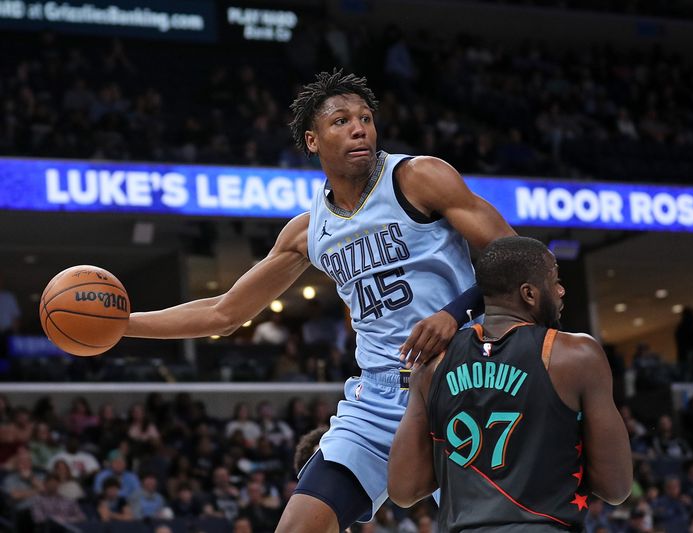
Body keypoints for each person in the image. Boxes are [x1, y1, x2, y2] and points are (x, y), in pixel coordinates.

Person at [124, 69, 515, 532]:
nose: (359, 128)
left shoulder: (418, 178)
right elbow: (224, 313)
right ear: (313, 141)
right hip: (378, 398)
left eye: (366, 118)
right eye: (342, 120)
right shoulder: (308, 231)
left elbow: (517, 258)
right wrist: (122, 325)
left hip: (462, 379)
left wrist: (454, 314)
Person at [388, 236, 632, 531]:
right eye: (554, 280)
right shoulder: (576, 355)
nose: (561, 290)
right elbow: (615, 487)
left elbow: (403, 489)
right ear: (529, 294)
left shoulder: (433, 364)